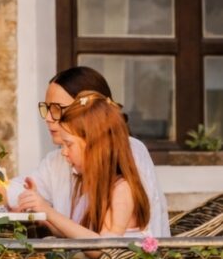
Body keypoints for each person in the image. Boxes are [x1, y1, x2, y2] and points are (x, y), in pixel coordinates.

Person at [19, 66, 170, 236]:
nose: (48, 118)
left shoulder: (123, 182)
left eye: (56, 108)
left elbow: (101, 245)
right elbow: (79, 234)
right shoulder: (68, 164)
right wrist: (42, 215)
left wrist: (49, 212)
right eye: (47, 108)